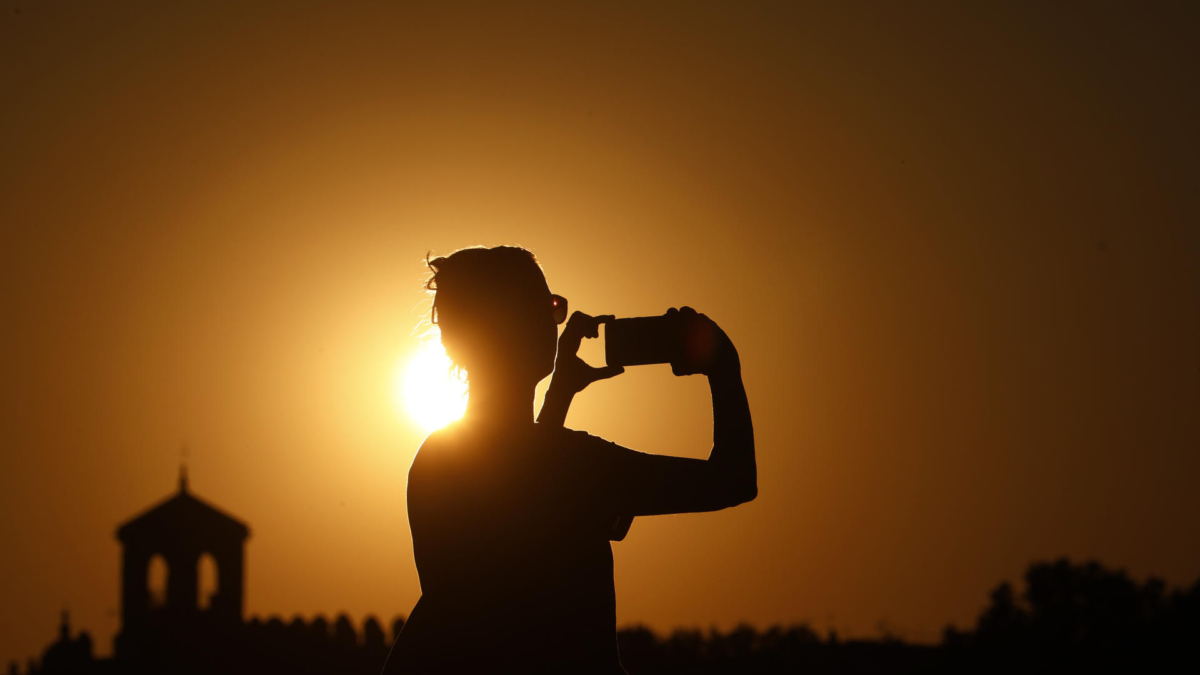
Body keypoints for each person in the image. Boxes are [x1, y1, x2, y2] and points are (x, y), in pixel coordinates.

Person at [383, 245, 756, 674]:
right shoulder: (576, 465)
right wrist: (723, 364)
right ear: (516, 325)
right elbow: (732, 480)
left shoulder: (436, 460)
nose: (554, 320)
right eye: (546, 307)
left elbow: (518, 496)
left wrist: (560, 395)